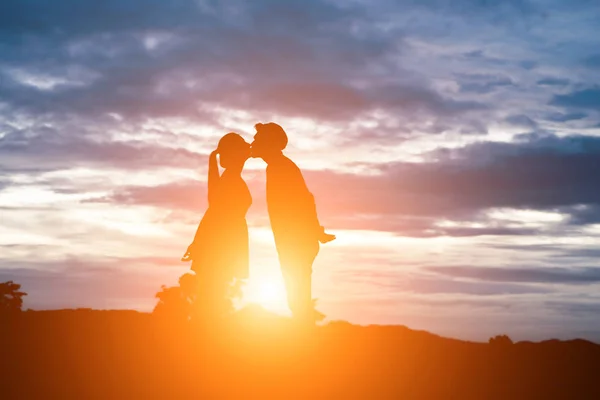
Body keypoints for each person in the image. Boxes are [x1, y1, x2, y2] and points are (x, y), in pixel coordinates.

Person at [250, 122, 335, 325]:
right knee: (297, 299)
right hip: (295, 240)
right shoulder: (277, 166)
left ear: (268, 143)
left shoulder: (281, 167)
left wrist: (315, 231)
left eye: (258, 139)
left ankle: (305, 346)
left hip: (297, 242)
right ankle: (305, 341)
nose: (253, 142)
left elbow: (306, 199)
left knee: (298, 300)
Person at [182, 132, 252, 319]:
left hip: (224, 244)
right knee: (212, 299)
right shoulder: (230, 180)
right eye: (243, 145)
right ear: (235, 154)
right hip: (221, 247)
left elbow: (211, 213)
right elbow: (213, 214)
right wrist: (198, 243)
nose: (248, 147)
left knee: (213, 297)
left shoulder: (231, 178)